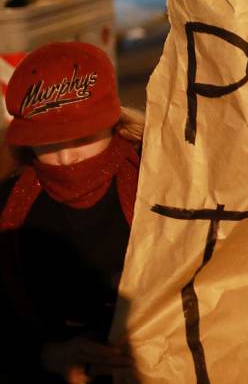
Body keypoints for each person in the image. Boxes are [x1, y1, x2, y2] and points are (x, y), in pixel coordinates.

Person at [0, 42, 141, 383]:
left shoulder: (163, 180)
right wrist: (48, 356)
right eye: (46, 143)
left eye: (82, 138)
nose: (65, 159)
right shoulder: (10, 206)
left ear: (112, 122)